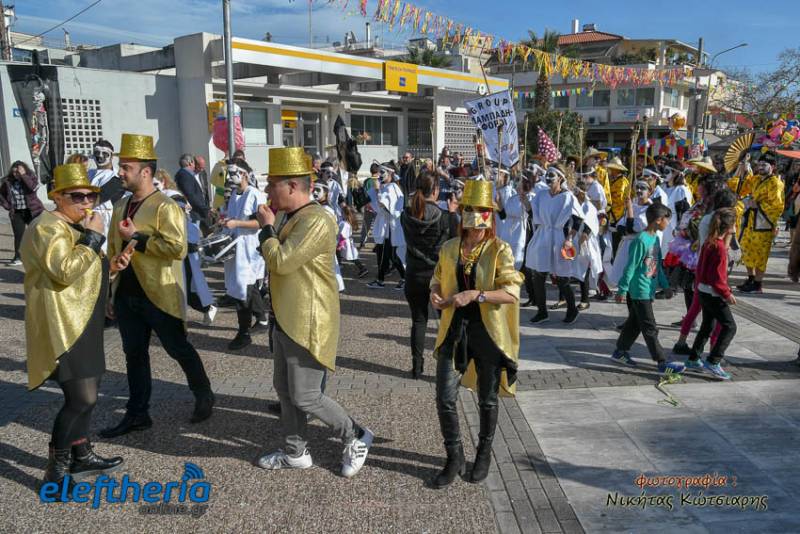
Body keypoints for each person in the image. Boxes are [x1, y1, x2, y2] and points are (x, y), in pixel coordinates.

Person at [254, 147, 373, 477]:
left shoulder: (317, 219)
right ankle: (295, 453)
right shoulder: (288, 215)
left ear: (292, 186)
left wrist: (265, 230)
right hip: (285, 316)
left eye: (273, 184)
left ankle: (355, 434)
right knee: (285, 390)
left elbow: (280, 260)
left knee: (306, 396)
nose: (268, 190)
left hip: (308, 320)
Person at [101, 134, 214, 439]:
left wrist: (138, 238)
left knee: (178, 348)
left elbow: (177, 248)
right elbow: (113, 247)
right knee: (134, 355)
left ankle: (203, 394)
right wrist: (111, 290)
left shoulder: (166, 206)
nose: (120, 172)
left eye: (126, 167)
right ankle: (138, 413)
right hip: (127, 294)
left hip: (159, 293)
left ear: (146, 172)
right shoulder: (121, 204)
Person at [21, 163, 125, 486]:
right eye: (77, 197)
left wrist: (112, 267)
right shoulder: (47, 227)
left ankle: (82, 455)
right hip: (65, 325)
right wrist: (94, 238)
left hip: (84, 320)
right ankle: (55, 472)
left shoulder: (74, 225)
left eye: (91, 196)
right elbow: (64, 270)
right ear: (58, 197)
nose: (86, 202)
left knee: (89, 393)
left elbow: (83, 273)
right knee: (82, 399)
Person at [428, 179, 523, 487]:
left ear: (490, 215)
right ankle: (454, 456)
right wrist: (435, 292)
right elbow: (437, 277)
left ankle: (483, 453)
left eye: (483, 210)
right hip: (454, 330)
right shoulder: (450, 248)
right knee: (444, 397)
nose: (477, 216)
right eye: (471, 209)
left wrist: (476, 295)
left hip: (487, 333)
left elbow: (511, 293)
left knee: (487, 399)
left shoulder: (499, 249)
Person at [611, 203, 685, 375]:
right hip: (639, 290)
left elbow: (657, 266)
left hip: (648, 288)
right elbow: (630, 267)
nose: (668, 223)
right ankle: (662, 362)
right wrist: (622, 289)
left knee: (634, 323)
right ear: (658, 220)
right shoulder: (640, 240)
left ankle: (620, 352)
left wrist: (666, 286)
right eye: (667, 220)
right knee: (650, 327)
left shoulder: (655, 239)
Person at [401, 172, 457, 379]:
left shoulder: (406, 215)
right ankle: (446, 367)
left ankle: (417, 367)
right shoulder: (444, 217)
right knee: (446, 322)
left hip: (414, 273)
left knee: (418, 321)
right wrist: (453, 215)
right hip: (438, 276)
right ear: (435, 191)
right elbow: (455, 242)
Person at [524, 163, 584, 324]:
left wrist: (569, 238)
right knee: (538, 275)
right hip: (543, 236)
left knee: (562, 278)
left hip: (559, 238)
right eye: (547, 175)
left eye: (552, 175)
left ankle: (572, 309)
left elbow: (578, 220)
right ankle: (542, 311)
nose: (548, 178)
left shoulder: (568, 197)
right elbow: (533, 213)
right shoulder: (541, 195)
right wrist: (524, 199)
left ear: (560, 179)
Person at [684, 208, 738, 380]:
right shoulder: (720, 248)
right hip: (714, 294)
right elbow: (718, 278)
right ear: (729, 227)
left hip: (703, 290)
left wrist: (699, 286)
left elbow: (701, 269)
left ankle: (693, 358)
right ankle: (713, 361)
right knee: (730, 327)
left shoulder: (710, 242)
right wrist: (727, 294)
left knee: (707, 326)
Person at [221, 158, 268, 350]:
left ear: (244, 174)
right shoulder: (234, 194)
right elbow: (234, 218)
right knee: (246, 287)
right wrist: (224, 222)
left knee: (242, 291)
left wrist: (237, 224)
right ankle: (262, 319)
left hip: (249, 251)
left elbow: (261, 222)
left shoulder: (255, 194)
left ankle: (244, 333)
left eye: (233, 173)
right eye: (229, 173)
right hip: (236, 249)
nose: (229, 177)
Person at [738, 153, 784, 293]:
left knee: (760, 254)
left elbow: (777, 206)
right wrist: (744, 167)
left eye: (764, 165)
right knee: (747, 249)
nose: (761, 167)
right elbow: (744, 186)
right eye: (759, 164)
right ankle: (751, 278)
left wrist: (758, 206)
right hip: (750, 221)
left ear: (773, 167)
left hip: (764, 223)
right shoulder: (756, 178)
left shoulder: (775, 183)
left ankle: (758, 283)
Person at [367, 163, 406, 289]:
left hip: (390, 228)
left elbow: (386, 207)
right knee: (385, 254)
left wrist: (377, 190)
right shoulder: (386, 186)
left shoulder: (392, 187)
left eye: (382, 172)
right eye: (379, 172)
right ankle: (382, 279)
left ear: (390, 173)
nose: (379, 175)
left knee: (391, 255)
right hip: (385, 227)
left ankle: (401, 279)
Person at [0, 161, 44, 265]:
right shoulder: (7, 181)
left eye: (18, 172)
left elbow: (33, 187)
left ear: (24, 170)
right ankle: (18, 257)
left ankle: (42, 256)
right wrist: (7, 206)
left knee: (38, 234)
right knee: (19, 235)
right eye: (14, 172)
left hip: (32, 211)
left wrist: (24, 176)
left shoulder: (31, 177)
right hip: (17, 213)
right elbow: (1, 195)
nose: (16, 174)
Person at [88, 139, 125, 251]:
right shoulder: (88, 173)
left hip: (104, 223)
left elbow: (96, 200)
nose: (100, 156)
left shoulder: (117, 178)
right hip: (85, 219)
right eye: (97, 153)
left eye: (104, 153)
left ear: (111, 156)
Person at [174, 153, 211, 227]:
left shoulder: (185, 174)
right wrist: (205, 208)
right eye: (194, 163)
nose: (195, 166)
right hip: (193, 213)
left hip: (196, 212)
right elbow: (191, 195)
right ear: (190, 163)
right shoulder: (185, 175)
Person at [339, 204, 369, 279]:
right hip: (349, 242)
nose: (341, 214)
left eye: (342, 213)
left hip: (344, 243)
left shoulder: (344, 223)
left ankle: (362, 269)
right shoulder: (348, 222)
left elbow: (342, 236)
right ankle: (362, 268)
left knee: (349, 256)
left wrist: (339, 244)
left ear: (345, 214)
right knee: (352, 256)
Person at [358, 163, 380, 249]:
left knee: (366, 225)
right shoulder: (379, 180)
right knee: (377, 226)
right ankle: (377, 243)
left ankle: (362, 241)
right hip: (377, 207)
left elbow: (364, 194)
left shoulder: (367, 181)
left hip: (368, 207)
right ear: (378, 171)